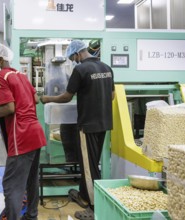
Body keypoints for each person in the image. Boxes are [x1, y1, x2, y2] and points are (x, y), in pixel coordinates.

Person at [40, 40, 115, 220]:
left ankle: (93, 208)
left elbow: (66, 97)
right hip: (104, 123)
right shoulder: (106, 67)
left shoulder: (80, 70)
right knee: (92, 162)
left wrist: (46, 98)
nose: (73, 60)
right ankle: (83, 195)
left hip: (87, 125)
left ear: (78, 54)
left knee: (88, 167)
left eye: (72, 57)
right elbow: (111, 95)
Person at [0, 43, 46, 220]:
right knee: (32, 180)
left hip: (20, 135)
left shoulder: (0, 77)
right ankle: (32, 216)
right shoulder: (20, 75)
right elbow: (36, 99)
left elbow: (9, 108)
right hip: (36, 133)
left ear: (0, 59)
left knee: (11, 185)